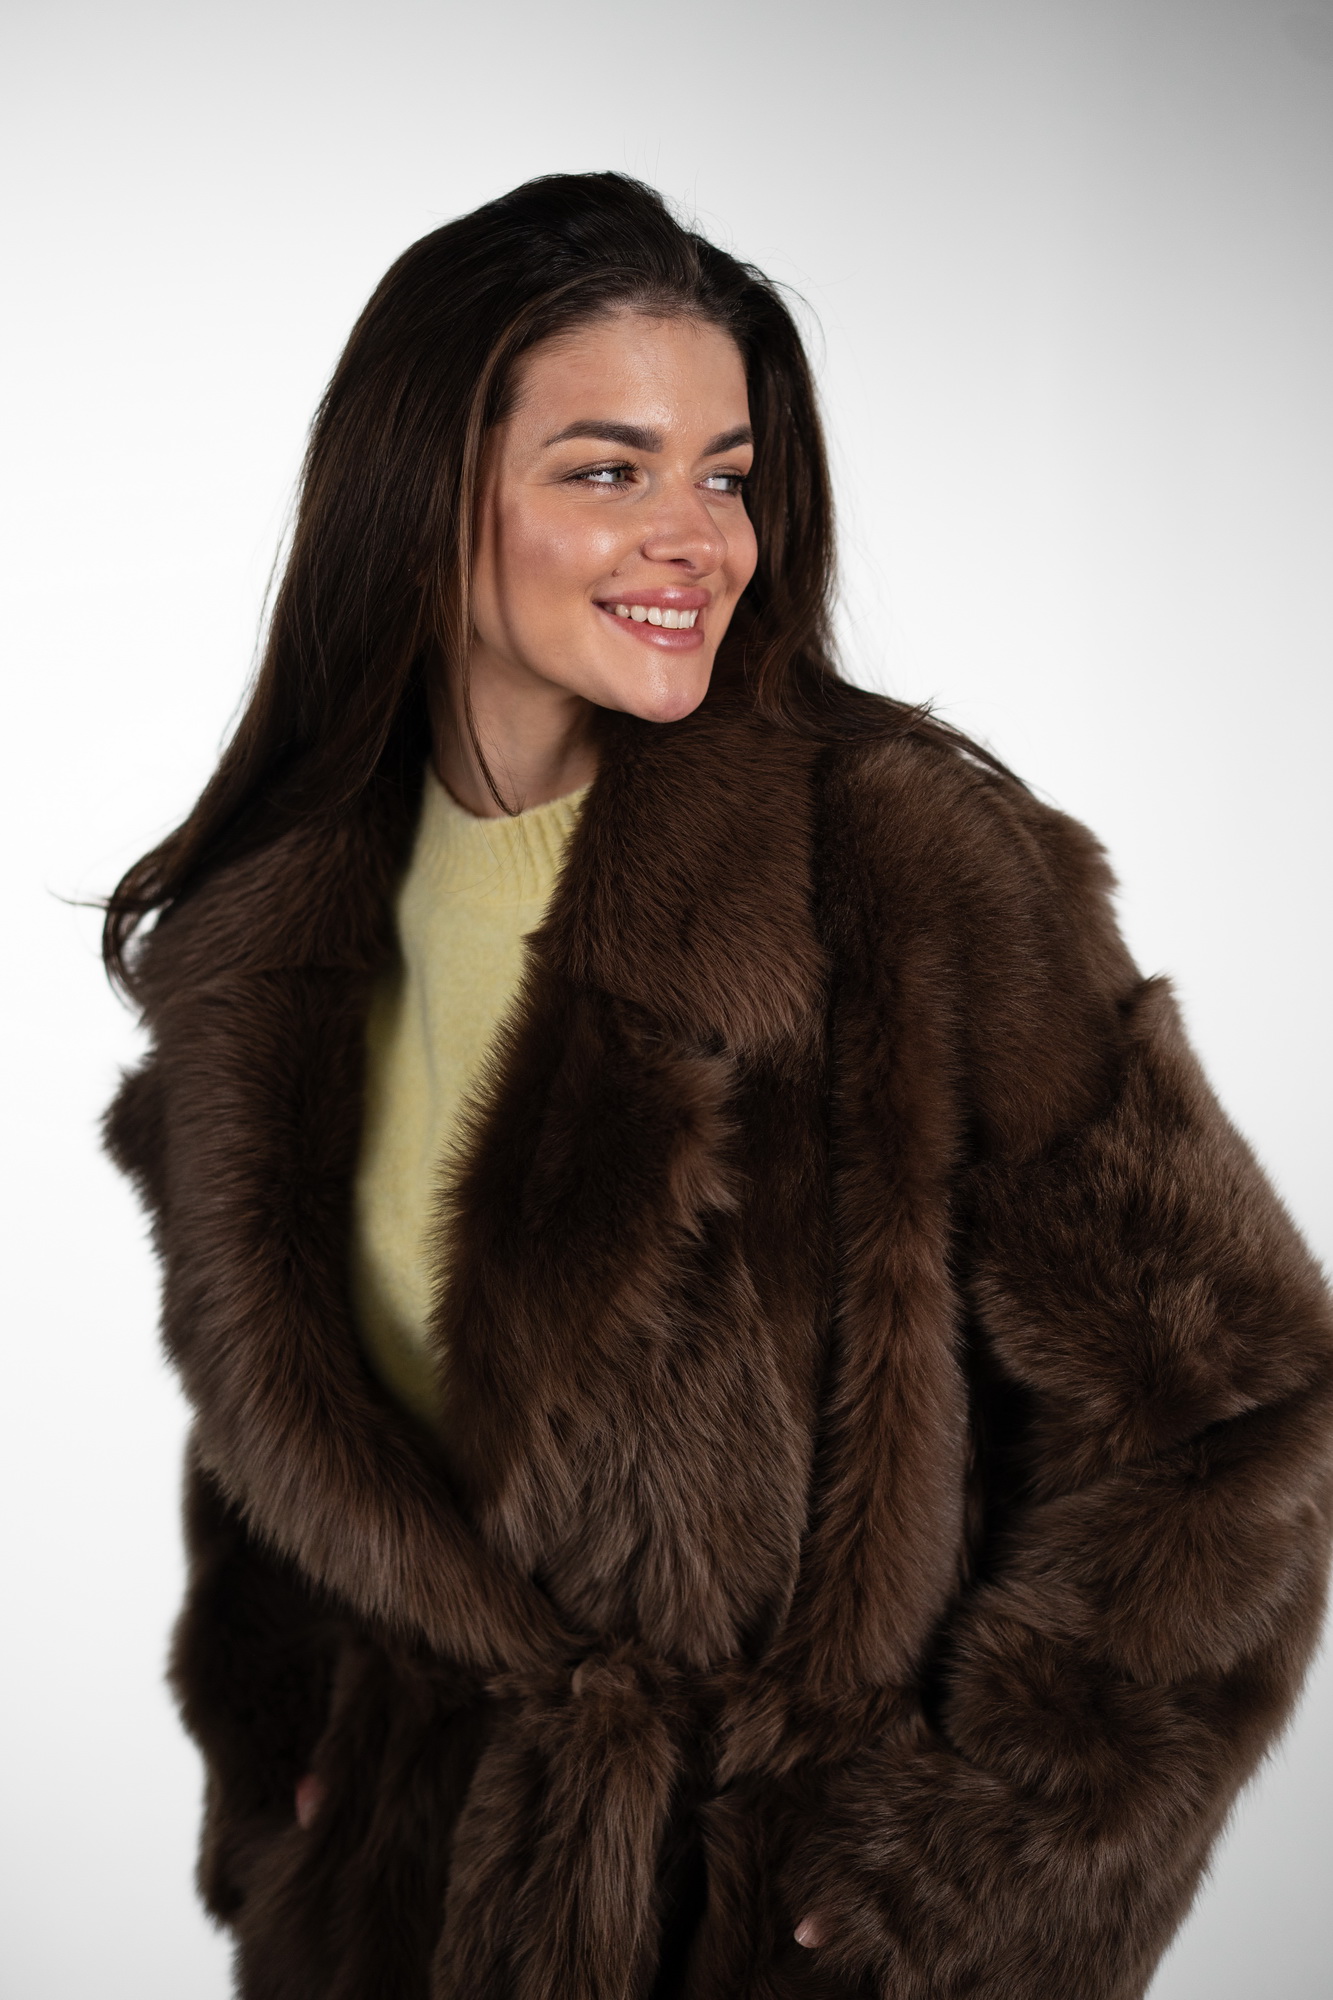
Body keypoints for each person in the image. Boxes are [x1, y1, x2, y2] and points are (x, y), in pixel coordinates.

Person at [102, 172, 1333, 2000]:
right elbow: (300, 1429)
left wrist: (984, 1867)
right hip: (409, 1915)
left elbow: (1228, 1405)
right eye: (610, 470)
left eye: (727, 474)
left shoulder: (895, 862)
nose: (697, 538)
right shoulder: (268, 932)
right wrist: (284, 1745)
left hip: (777, 1926)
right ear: (423, 490)